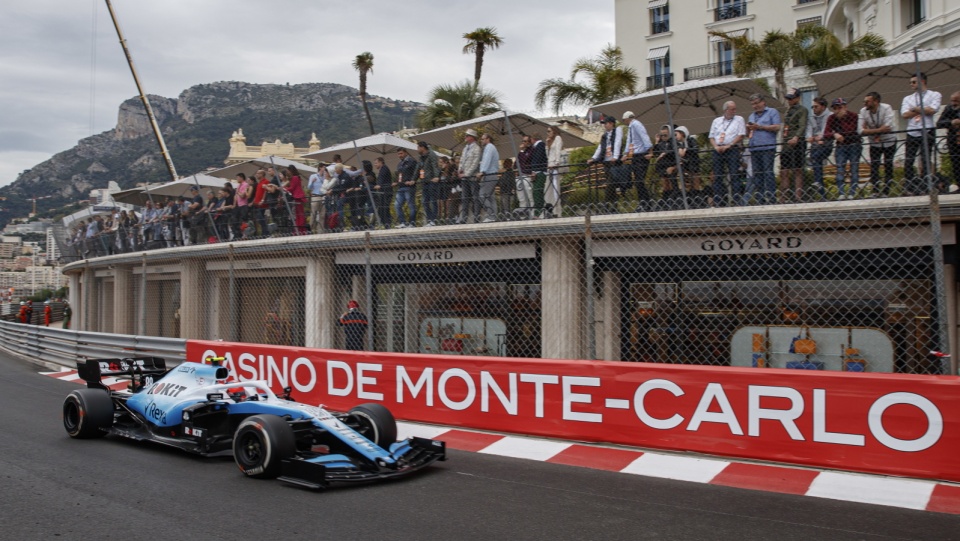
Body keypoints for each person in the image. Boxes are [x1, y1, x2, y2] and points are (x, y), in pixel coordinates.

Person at [900, 72, 942, 195]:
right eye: (910, 82)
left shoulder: (934, 95)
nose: (911, 84)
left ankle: (926, 186)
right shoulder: (908, 98)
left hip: (927, 130)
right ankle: (910, 187)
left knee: (925, 160)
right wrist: (921, 109)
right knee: (909, 160)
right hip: (912, 131)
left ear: (922, 81)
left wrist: (914, 109)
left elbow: (932, 110)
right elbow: (904, 115)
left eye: (913, 82)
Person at [745, 93, 782, 205]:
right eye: (753, 104)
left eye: (756, 103)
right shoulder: (751, 116)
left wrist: (760, 127)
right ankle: (760, 198)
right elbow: (749, 134)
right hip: (754, 148)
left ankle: (771, 198)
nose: (755, 106)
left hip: (767, 147)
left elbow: (777, 127)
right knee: (757, 174)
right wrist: (748, 129)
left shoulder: (772, 112)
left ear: (763, 102)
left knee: (768, 173)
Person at [858, 91, 897, 197]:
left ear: (876, 101)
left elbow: (888, 127)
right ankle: (875, 190)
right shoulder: (863, 111)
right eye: (864, 101)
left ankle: (886, 191)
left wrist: (870, 131)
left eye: (867, 101)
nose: (865, 103)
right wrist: (879, 130)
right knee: (874, 166)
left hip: (889, 141)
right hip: (874, 143)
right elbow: (860, 130)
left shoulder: (886, 108)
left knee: (888, 165)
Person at [709, 101, 746, 207]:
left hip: (731, 149)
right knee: (718, 176)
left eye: (735, 109)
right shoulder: (716, 121)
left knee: (734, 174)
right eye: (732, 109)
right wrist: (716, 146)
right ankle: (719, 200)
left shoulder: (739, 119)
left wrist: (729, 145)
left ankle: (737, 200)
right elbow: (711, 136)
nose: (734, 111)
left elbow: (741, 135)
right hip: (718, 149)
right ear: (726, 110)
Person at [824, 98, 862, 200]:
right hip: (841, 146)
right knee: (840, 169)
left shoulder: (853, 116)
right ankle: (841, 193)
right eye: (835, 108)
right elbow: (826, 133)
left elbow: (850, 131)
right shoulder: (831, 118)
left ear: (845, 107)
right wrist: (834, 134)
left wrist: (842, 119)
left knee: (854, 169)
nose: (837, 110)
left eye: (839, 107)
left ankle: (852, 193)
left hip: (854, 144)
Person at [587, 116, 624, 213]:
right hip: (607, 161)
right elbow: (600, 147)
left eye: (606, 123)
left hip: (614, 161)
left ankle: (606, 205)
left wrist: (615, 156)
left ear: (611, 123)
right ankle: (613, 206)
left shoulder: (617, 131)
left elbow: (617, 143)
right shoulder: (605, 135)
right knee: (611, 184)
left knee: (610, 183)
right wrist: (594, 158)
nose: (604, 125)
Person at [779, 88, 808, 203]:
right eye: (788, 99)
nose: (789, 101)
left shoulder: (802, 110)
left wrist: (796, 137)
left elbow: (802, 125)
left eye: (791, 98)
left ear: (797, 98)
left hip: (797, 143)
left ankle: (798, 196)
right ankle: (784, 197)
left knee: (797, 170)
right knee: (784, 170)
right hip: (786, 144)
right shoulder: (787, 111)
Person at [622, 111, 653, 212]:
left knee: (639, 180)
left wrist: (650, 151)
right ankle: (644, 202)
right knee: (638, 180)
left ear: (627, 118)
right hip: (636, 155)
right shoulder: (631, 126)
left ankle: (645, 203)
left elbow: (644, 136)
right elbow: (629, 141)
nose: (624, 122)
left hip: (641, 155)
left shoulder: (636, 125)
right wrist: (626, 154)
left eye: (624, 120)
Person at [806, 97, 832, 201]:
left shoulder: (829, 116)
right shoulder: (811, 116)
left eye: (816, 106)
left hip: (826, 144)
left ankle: (818, 183)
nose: (813, 108)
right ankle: (821, 194)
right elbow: (809, 129)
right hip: (815, 144)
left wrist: (820, 138)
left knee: (816, 158)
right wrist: (810, 137)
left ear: (823, 106)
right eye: (812, 106)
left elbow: (826, 130)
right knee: (816, 164)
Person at [936, 90, 960, 191]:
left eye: (956, 101)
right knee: (955, 164)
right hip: (953, 140)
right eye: (951, 101)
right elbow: (939, 123)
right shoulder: (948, 108)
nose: (953, 103)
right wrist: (951, 122)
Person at [457, 129, 482, 224]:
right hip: (464, 177)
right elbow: (462, 160)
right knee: (464, 198)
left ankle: (477, 217)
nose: (465, 137)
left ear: (472, 137)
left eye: (467, 136)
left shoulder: (477, 148)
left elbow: (475, 163)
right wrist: (460, 169)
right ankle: (464, 218)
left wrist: (466, 174)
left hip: (472, 177)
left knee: (475, 197)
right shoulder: (465, 148)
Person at [417, 141, 442, 227]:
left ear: (422, 147)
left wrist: (436, 177)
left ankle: (433, 220)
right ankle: (430, 219)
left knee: (433, 201)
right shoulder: (421, 157)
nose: (417, 149)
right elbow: (419, 168)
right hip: (424, 181)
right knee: (425, 201)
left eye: (418, 147)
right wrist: (414, 179)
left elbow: (435, 166)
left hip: (431, 181)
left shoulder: (431, 155)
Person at [478, 133, 501, 222]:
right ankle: (494, 216)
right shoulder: (491, 148)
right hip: (492, 175)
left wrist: (482, 172)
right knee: (491, 197)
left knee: (482, 195)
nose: (481, 141)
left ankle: (491, 215)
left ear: (488, 139)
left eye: (483, 139)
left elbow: (487, 160)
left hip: (489, 175)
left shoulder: (489, 147)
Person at [394, 147, 419, 228]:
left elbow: (417, 171)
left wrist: (413, 180)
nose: (399, 155)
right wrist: (397, 182)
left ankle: (412, 223)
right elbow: (399, 175)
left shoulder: (412, 161)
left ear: (406, 153)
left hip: (409, 187)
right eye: (398, 154)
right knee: (397, 205)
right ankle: (403, 222)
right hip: (401, 186)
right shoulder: (399, 164)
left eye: (401, 153)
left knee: (411, 205)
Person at [545, 126, 565, 217]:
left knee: (555, 188)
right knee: (549, 189)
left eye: (549, 131)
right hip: (549, 166)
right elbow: (548, 155)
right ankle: (551, 208)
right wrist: (548, 145)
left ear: (554, 131)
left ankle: (557, 210)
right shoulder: (550, 141)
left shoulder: (558, 138)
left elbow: (558, 151)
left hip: (554, 166)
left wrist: (557, 162)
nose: (548, 133)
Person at [514, 136, 535, 219]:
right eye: (522, 141)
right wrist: (521, 151)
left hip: (527, 176)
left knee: (529, 196)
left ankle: (532, 212)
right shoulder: (521, 152)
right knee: (521, 197)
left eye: (525, 141)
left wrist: (522, 151)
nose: (523, 143)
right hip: (520, 176)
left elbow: (526, 160)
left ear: (529, 142)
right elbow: (516, 164)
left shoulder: (531, 151)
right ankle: (523, 214)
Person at [529, 132, 548, 218]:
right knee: (537, 192)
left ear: (533, 139)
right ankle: (540, 211)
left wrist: (534, 171)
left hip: (539, 172)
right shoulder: (539, 146)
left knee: (537, 192)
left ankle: (538, 212)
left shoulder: (540, 145)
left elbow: (537, 159)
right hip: (539, 171)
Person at [286, 165, 308, 234]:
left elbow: (292, 188)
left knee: (299, 214)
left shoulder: (294, 178)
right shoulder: (296, 177)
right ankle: (300, 230)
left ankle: (300, 230)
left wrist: (284, 189)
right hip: (298, 197)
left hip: (298, 197)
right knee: (299, 214)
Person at [372, 157, 393, 228]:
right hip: (384, 192)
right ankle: (385, 223)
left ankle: (387, 223)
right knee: (382, 209)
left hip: (386, 192)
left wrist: (378, 185)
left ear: (381, 162)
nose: (375, 165)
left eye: (376, 163)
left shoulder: (384, 169)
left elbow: (381, 180)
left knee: (384, 209)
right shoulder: (382, 169)